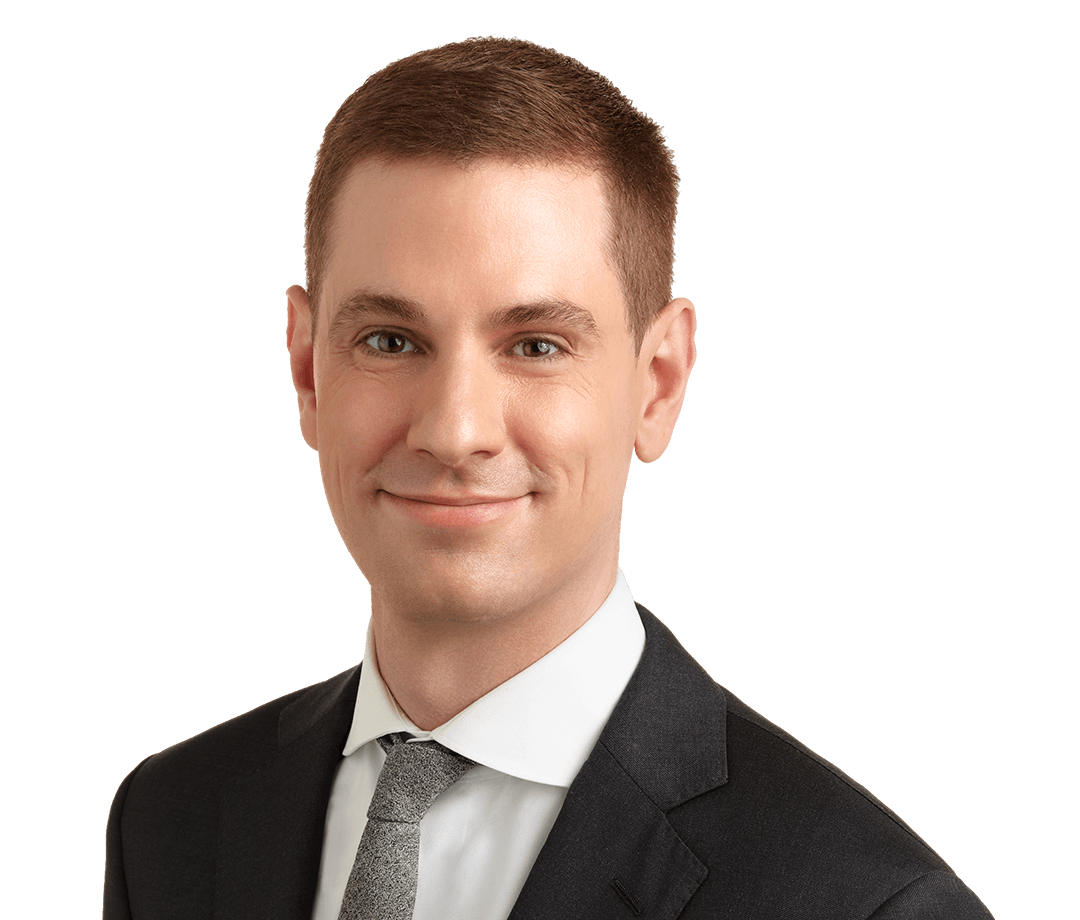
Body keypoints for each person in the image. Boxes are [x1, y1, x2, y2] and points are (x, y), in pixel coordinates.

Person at [103, 37, 992, 919]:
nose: (454, 433)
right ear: (306, 370)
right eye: (390, 340)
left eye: (535, 346)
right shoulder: (167, 820)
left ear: (658, 386)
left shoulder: (873, 904)